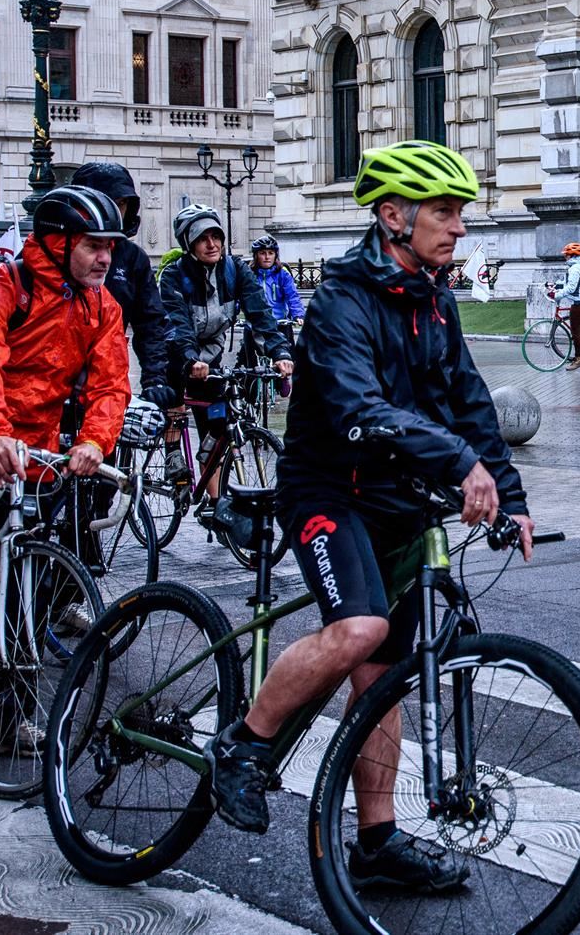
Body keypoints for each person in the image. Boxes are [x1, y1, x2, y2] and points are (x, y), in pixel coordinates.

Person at [205, 140, 530, 893]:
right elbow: (358, 410)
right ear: (392, 216)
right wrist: (459, 462)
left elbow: (471, 403)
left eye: (460, 213)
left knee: (381, 678)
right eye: (444, 212)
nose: (459, 228)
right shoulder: (340, 302)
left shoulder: (435, 300)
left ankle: (377, 842)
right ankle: (243, 745)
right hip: (330, 491)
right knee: (359, 630)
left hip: (399, 500)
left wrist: (508, 497)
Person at [0, 187, 131, 751]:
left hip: (33, 442)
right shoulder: (1, 287)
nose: (105, 258)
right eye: (93, 246)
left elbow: (112, 384)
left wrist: (93, 442)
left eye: (110, 247)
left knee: (28, 581)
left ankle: (2, 723)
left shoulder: (101, 306)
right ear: (57, 242)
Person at [160, 206, 293, 512]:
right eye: (202, 238)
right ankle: (172, 453)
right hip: (177, 350)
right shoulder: (174, 275)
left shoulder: (235, 270)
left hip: (213, 353)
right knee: (175, 396)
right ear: (188, 243)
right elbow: (177, 324)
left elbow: (260, 313)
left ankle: (215, 502)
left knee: (217, 426)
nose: (212, 244)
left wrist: (280, 353)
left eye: (216, 236)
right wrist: (190, 359)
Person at [68, 164, 176, 414]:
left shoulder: (133, 258)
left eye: (122, 204)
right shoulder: (57, 250)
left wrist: (155, 378)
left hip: (106, 380)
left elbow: (151, 322)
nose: (115, 211)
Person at [248, 234, 305, 338]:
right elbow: (240, 295)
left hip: (280, 325)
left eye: (271, 253)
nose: (267, 257)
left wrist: (298, 314)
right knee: (247, 348)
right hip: (255, 325)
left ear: (276, 255)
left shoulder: (283, 274)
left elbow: (292, 296)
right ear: (256, 255)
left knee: (287, 348)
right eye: (262, 253)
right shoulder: (249, 274)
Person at [557, 242, 580, 368]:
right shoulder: (579, 266)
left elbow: (571, 288)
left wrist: (557, 295)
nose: (564, 256)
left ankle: (579, 359)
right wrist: (556, 286)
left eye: (566, 254)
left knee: (575, 331)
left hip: (578, 302)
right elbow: (571, 284)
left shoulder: (575, 268)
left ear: (572, 255)